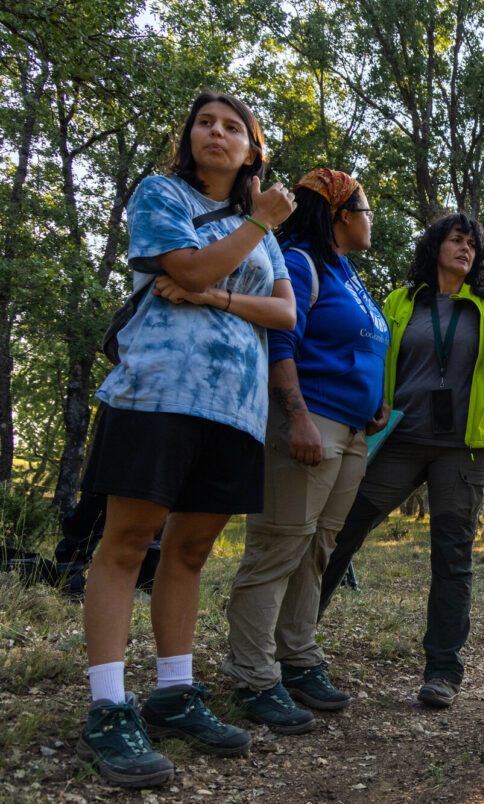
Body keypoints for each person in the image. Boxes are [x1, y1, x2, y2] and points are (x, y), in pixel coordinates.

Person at [77, 90, 297, 788]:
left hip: (234, 408)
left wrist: (216, 294)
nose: (217, 132)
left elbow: (285, 312)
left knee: (192, 550)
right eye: (206, 122)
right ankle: (108, 707)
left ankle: (174, 692)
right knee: (128, 543)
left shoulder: (258, 228)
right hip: (158, 393)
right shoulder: (160, 194)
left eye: (234, 127)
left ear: (252, 151)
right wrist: (251, 232)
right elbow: (189, 264)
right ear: (190, 136)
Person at [317, 213, 484, 709]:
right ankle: (295, 644)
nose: (466, 250)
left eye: (473, 245)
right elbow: (377, 358)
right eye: (456, 240)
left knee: (453, 555)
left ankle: (443, 672)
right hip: (401, 437)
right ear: (435, 247)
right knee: (342, 528)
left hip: (466, 446)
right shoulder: (399, 301)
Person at [221, 169, 390, 733]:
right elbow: (281, 342)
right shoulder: (299, 262)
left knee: (317, 547)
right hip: (309, 423)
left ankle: (297, 658)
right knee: (278, 546)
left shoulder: (350, 274)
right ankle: (253, 675)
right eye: (365, 210)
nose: (372, 221)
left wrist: (377, 400)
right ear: (342, 215)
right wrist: (296, 417)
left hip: (353, 431)